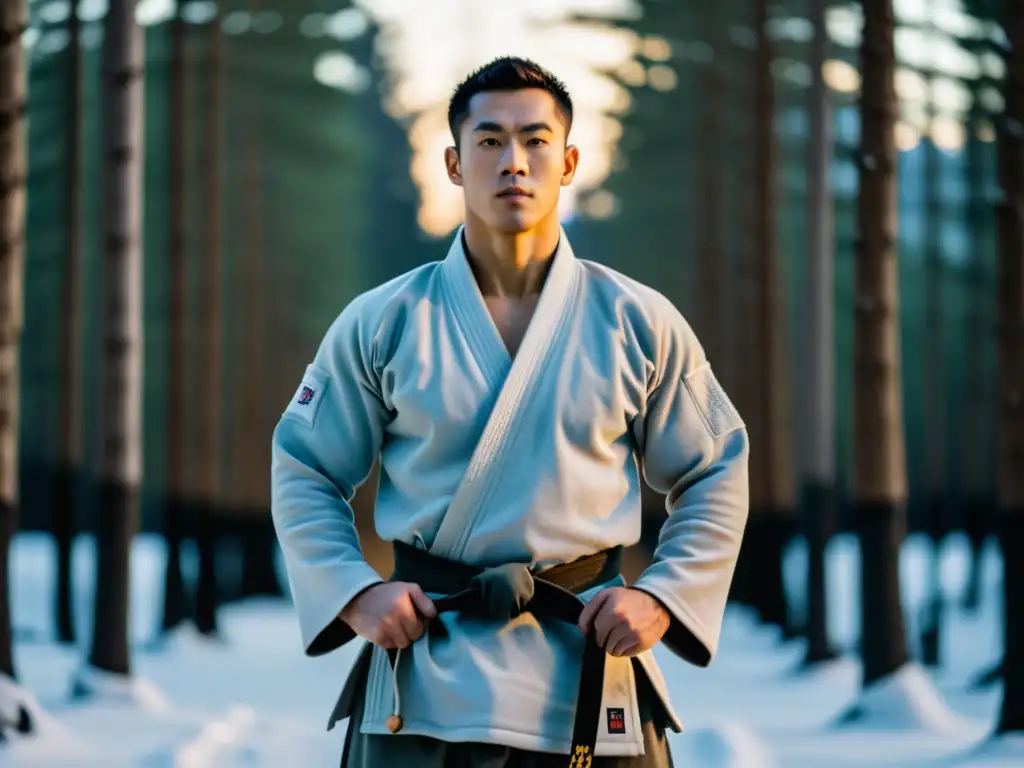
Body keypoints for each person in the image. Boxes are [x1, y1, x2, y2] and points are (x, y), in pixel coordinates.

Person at [270, 56, 749, 768]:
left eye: (535, 140)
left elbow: (717, 467)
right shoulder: (383, 321)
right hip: (425, 673)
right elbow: (304, 466)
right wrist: (355, 592)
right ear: (455, 163)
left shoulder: (639, 321)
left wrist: (663, 597)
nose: (514, 162)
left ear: (569, 159)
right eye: (489, 141)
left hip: (587, 668)